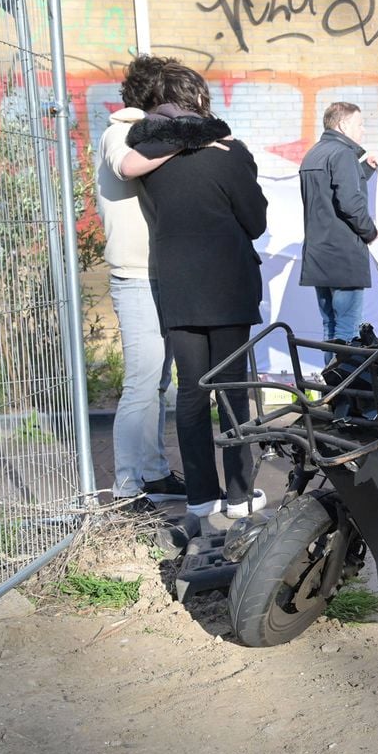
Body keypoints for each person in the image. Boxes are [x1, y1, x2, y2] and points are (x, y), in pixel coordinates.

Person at [126, 63, 269, 520]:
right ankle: (241, 496)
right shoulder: (230, 152)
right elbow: (256, 220)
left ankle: (201, 497)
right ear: (201, 101)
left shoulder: (149, 159)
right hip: (227, 284)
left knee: (191, 391)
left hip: (177, 284)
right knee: (232, 390)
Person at [97, 54, 187, 512]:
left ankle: (153, 472)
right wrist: (187, 140)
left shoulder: (150, 133)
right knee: (141, 382)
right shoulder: (120, 132)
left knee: (157, 382)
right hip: (135, 277)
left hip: (160, 273)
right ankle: (128, 489)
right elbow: (129, 167)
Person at [298, 102, 378, 349]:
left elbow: (328, 193)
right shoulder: (343, 154)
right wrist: (370, 231)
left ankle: (330, 386)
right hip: (343, 256)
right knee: (347, 330)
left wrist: (364, 169)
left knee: (331, 328)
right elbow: (349, 202)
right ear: (343, 125)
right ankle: (344, 387)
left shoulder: (314, 153)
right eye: (360, 124)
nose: (363, 130)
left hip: (319, 256)